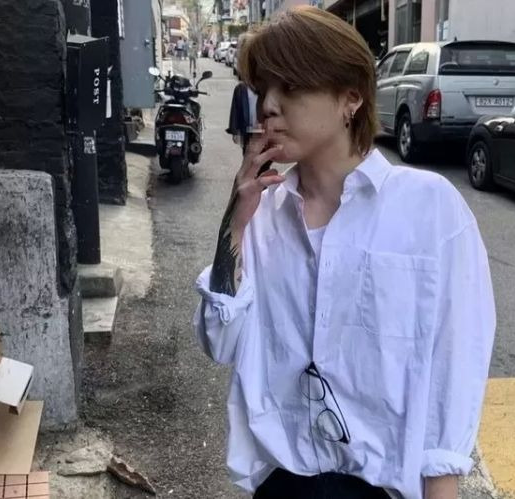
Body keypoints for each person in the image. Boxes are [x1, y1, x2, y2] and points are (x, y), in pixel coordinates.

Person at [193, 6, 495, 499]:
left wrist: (441, 487)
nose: (268, 106)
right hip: (283, 486)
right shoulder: (263, 216)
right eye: (262, 89)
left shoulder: (430, 210)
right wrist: (235, 221)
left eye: (290, 87)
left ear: (350, 97)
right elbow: (218, 343)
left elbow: (454, 364)